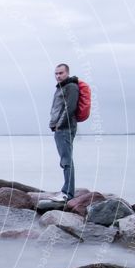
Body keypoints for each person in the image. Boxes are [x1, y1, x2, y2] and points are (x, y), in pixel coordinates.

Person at [48, 63, 79, 202]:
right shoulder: (61, 87)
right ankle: (65, 191)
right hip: (60, 129)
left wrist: (59, 125)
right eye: (56, 73)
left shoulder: (71, 87)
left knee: (67, 161)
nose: (58, 76)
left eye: (61, 73)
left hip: (65, 128)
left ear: (67, 72)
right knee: (64, 160)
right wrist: (54, 125)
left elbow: (70, 108)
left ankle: (67, 193)